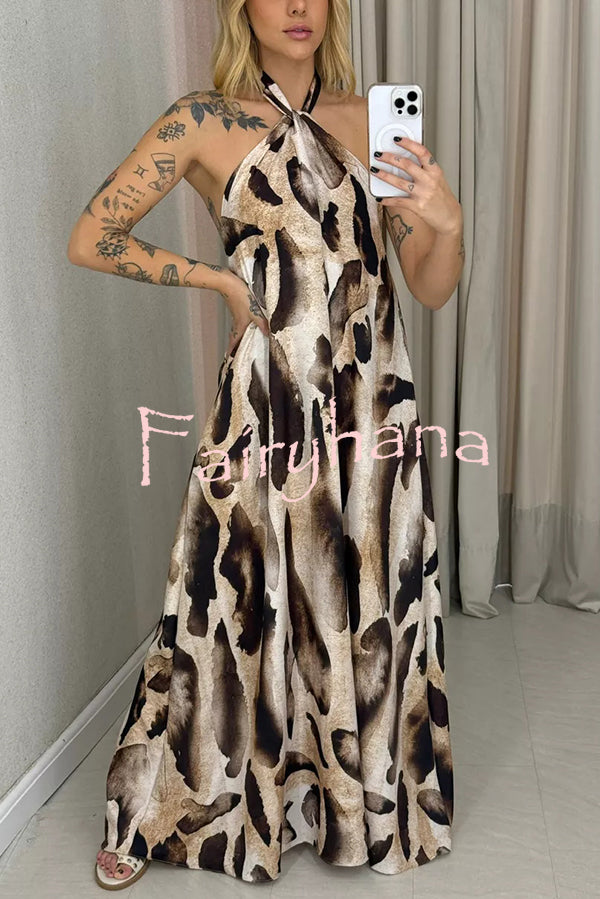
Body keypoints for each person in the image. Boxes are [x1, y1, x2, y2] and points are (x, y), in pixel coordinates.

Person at [68, 0, 460, 889]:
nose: (296, 6)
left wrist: (449, 224)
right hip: (266, 408)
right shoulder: (202, 121)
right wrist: (215, 279)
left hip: (372, 410)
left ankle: (357, 806)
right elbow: (91, 237)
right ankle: (171, 800)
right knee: (230, 600)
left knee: (365, 604)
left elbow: (430, 287)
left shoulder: (377, 119)